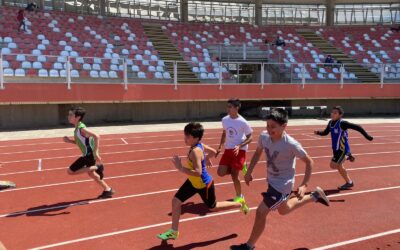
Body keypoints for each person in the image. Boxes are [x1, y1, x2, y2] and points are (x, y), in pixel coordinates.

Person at [230, 108, 330, 250]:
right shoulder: (264, 137)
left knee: (261, 212)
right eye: (267, 126)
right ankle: (314, 196)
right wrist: (249, 171)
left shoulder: (291, 144)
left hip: (283, 185)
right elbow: (258, 153)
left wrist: (304, 185)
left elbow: (309, 162)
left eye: (273, 127)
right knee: (284, 209)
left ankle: (249, 246)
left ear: (284, 126)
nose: (269, 129)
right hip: (271, 181)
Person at [157, 122, 248, 241]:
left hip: (203, 184)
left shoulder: (195, 151)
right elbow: (214, 152)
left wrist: (181, 168)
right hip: (193, 182)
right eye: (185, 135)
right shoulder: (200, 144)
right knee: (176, 201)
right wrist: (206, 159)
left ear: (195, 138)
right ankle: (174, 232)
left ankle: (239, 203)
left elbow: (198, 172)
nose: (185, 139)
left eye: (187, 136)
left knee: (213, 207)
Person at [314, 106, 373, 190]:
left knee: (333, 165)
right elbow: (326, 132)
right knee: (339, 166)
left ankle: (347, 155)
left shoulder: (342, 123)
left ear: (340, 115)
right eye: (332, 112)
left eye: (335, 113)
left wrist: (367, 136)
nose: (332, 114)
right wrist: (318, 132)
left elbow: (358, 127)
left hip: (342, 149)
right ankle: (349, 182)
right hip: (335, 149)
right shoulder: (330, 122)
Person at [63, 106, 114, 199]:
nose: (68, 116)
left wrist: (95, 153)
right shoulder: (77, 128)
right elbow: (81, 142)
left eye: (71, 115)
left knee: (70, 171)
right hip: (88, 154)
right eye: (68, 114)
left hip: (89, 155)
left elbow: (96, 136)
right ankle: (108, 189)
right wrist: (69, 141)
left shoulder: (81, 128)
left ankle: (97, 167)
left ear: (77, 117)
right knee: (92, 174)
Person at [217, 99, 252, 204]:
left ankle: (239, 196)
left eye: (230, 107)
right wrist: (220, 146)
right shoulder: (225, 120)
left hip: (239, 150)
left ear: (237, 108)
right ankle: (242, 166)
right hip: (228, 149)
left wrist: (240, 145)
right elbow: (224, 133)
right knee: (220, 172)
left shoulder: (243, 122)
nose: (227, 109)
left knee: (234, 176)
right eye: (227, 106)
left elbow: (250, 137)